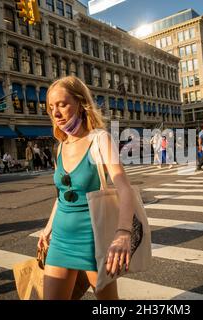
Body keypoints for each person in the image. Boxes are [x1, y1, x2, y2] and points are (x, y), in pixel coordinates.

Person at [37, 76, 135, 300]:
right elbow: (62, 196)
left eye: (62, 104)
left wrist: (123, 233)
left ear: (80, 103)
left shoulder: (99, 139)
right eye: (51, 107)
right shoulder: (60, 147)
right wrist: (47, 228)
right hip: (60, 239)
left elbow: (124, 188)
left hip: (93, 240)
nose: (56, 113)